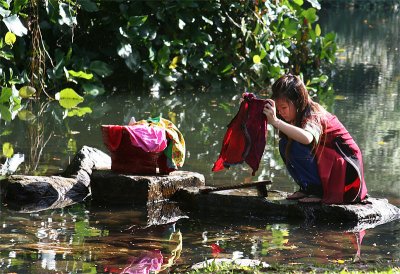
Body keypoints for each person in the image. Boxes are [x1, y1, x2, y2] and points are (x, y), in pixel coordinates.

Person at [263, 74, 367, 204]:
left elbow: (307, 138)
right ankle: (307, 188)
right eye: (278, 109)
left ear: (298, 101)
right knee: (284, 143)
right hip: (332, 160)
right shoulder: (297, 114)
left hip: (347, 168)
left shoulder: (313, 114)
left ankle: (319, 192)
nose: (281, 113)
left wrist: (276, 122)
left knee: (295, 146)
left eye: (284, 108)